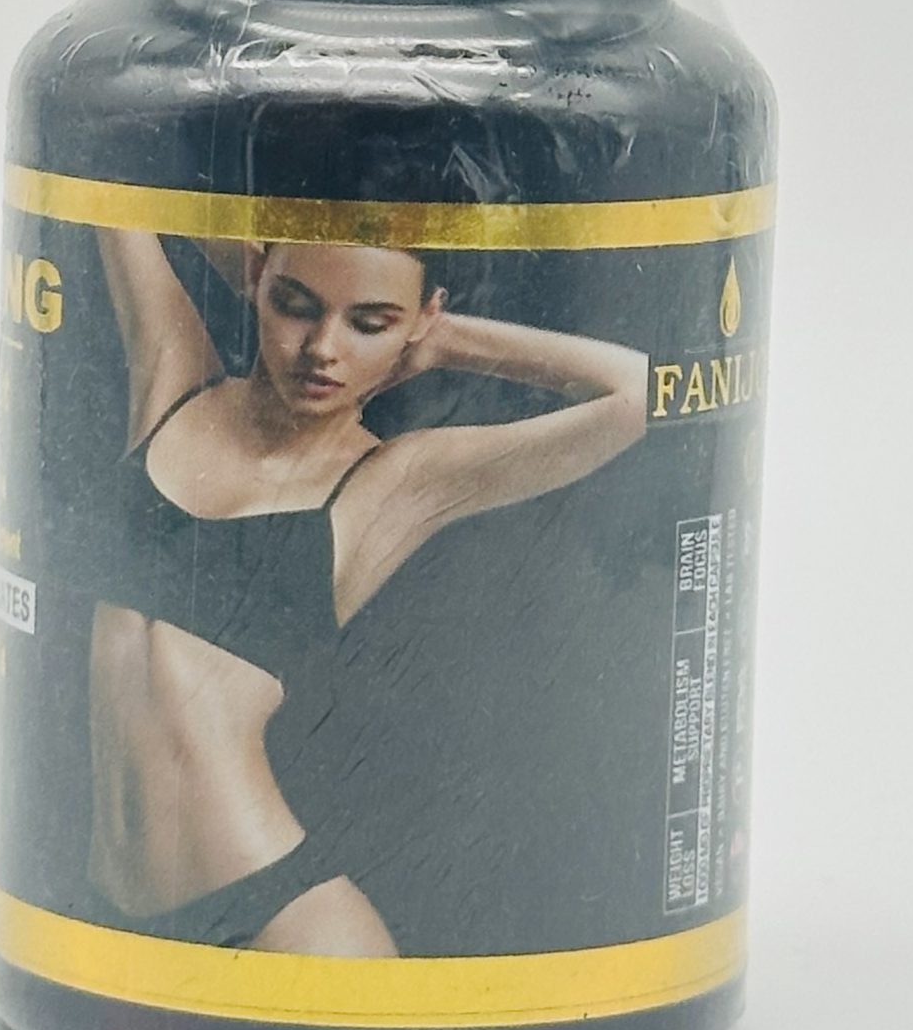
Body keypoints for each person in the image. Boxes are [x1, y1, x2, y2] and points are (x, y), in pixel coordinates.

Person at [88, 228, 649, 957]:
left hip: (282, 919)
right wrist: (265, 267)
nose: (323, 348)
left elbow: (642, 394)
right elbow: (117, 203)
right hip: (107, 908)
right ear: (257, 277)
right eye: (297, 306)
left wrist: (444, 340)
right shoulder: (174, 383)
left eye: (370, 323)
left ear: (418, 320)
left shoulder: (393, 482)